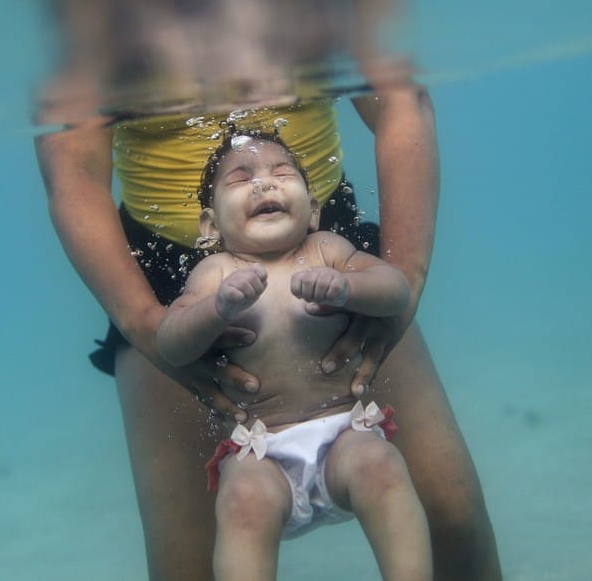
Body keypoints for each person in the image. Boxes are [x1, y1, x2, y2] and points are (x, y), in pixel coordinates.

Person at [21, 0, 502, 578]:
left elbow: (400, 100)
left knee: (452, 518)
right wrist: (147, 324)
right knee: (187, 565)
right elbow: (71, 170)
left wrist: (406, 278)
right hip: (166, 281)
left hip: (327, 250)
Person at [156, 132, 431, 580]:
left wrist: (348, 287)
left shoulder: (327, 249)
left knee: (382, 467)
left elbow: (396, 290)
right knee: (242, 501)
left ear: (314, 209)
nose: (265, 184)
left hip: (345, 433)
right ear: (210, 226)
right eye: (241, 179)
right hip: (261, 450)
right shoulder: (214, 273)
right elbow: (171, 343)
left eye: (282, 174)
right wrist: (215, 309)